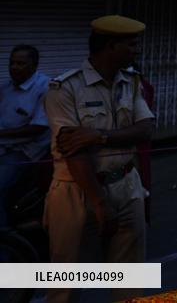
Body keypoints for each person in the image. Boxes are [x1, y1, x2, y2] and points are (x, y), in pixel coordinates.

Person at [43, 16, 154, 303]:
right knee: (66, 282)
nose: (136, 50)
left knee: (130, 280)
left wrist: (99, 136)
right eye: (130, 44)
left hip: (127, 186)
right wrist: (99, 202)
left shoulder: (130, 83)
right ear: (109, 46)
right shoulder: (65, 89)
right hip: (77, 192)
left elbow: (146, 129)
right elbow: (73, 151)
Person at [1, 45, 50, 229]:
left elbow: (38, 128)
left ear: (34, 65)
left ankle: (4, 247)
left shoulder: (46, 88)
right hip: (4, 146)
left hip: (25, 151)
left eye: (20, 63)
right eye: (12, 62)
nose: (14, 67)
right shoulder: (6, 88)